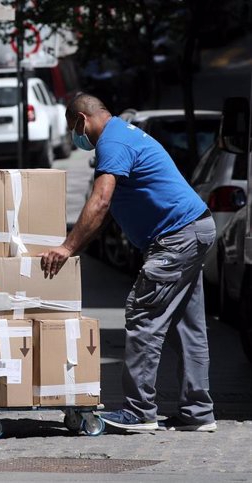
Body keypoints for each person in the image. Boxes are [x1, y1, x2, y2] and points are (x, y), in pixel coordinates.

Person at [40, 93, 217, 432]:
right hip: (193, 229)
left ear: (81, 121)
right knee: (186, 326)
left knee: (143, 314)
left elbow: (101, 200)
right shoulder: (127, 132)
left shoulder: (112, 143)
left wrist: (67, 246)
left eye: (74, 130)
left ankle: (139, 411)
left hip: (176, 236)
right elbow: (110, 208)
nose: (78, 139)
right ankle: (197, 413)